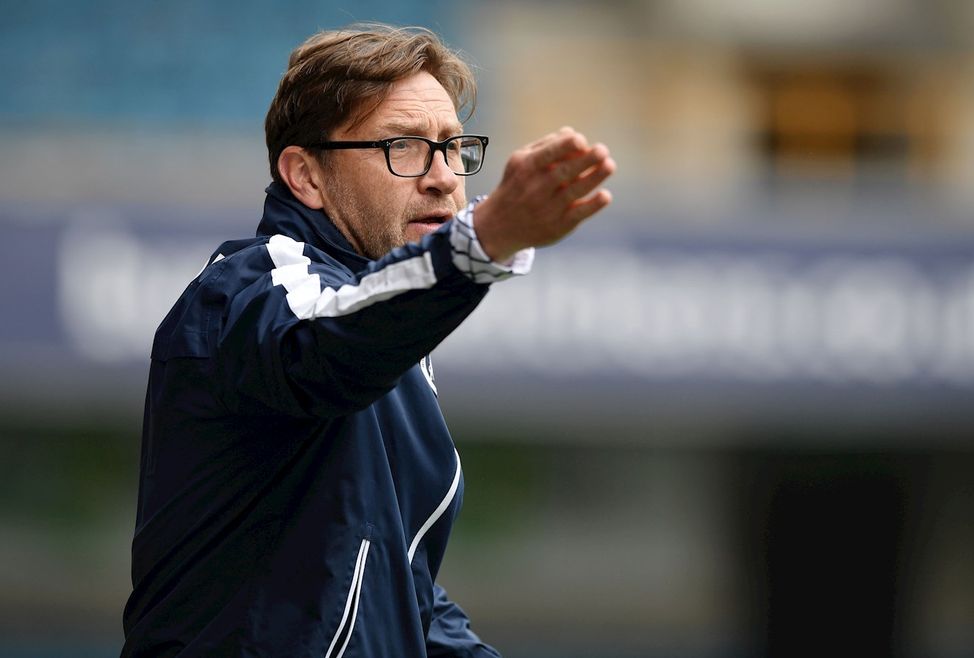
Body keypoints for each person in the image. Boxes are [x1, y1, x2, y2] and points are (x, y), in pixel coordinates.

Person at [121, 23, 615, 657]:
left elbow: (400, 593)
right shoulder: (252, 287)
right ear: (306, 176)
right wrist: (480, 243)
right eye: (404, 146)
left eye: (453, 147)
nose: (443, 176)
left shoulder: (391, 338)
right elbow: (326, 346)